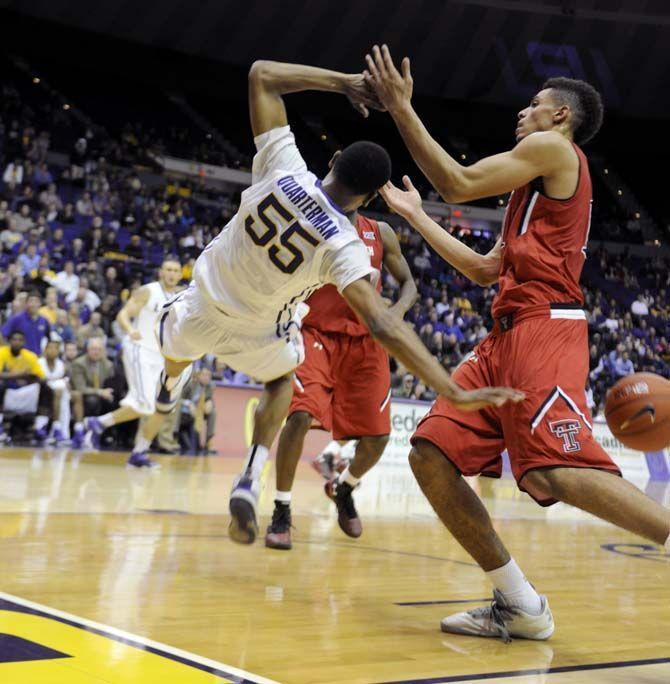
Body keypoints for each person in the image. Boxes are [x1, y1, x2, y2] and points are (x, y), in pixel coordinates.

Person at [367, 44, 670, 641]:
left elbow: (455, 182)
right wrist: (415, 214)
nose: (523, 113)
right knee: (430, 452)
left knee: (553, 470)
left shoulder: (555, 150)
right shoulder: (529, 194)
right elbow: (484, 270)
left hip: (544, 327)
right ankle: (519, 602)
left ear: (561, 116)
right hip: (503, 336)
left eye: (535, 105)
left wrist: (402, 108)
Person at [155, 59, 521, 546]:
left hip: (203, 308)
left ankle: (171, 378)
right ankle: (251, 475)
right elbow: (386, 327)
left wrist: (345, 84)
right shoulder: (342, 242)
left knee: (175, 350)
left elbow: (262, 75)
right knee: (282, 383)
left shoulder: (283, 169)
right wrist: (450, 389)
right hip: (261, 333)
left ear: (332, 162)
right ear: (369, 198)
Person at [266, 211, 417, 549]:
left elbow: (409, 283)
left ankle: (343, 487)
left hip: (366, 339)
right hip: (314, 331)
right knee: (301, 415)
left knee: (378, 437)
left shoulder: (381, 233)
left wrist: (399, 310)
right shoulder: (308, 217)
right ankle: (281, 508)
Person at [84, 259, 182, 467]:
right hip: (139, 349)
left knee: (161, 409)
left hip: (160, 357)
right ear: (161, 272)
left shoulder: (181, 298)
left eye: (175, 270)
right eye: (168, 269)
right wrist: (130, 330)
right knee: (145, 404)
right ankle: (99, 424)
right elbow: (123, 314)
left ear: (180, 274)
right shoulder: (148, 291)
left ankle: (137, 450)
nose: (172, 274)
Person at [0, 331, 47, 442]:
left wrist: (26, 379)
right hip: (7, 390)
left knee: (46, 387)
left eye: (20, 340)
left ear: (24, 342)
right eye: (14, 339)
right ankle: (1, 425)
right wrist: (20, 374)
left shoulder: (30, 356)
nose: (17, 342)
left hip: (25, 390)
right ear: (9, 341)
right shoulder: (2, 353)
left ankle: (40, 426)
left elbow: (40, 377)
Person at [69, 338, 115, 446]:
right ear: (87, 350)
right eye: (93, 349)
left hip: (103, 394)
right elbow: (80, 388)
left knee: (115, 401)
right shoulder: (78, 363)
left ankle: (108, 435)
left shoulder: (108, 364)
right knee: (92, 401)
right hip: (83, 396)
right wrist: (99, 392)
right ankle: (89, 432)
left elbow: (111, 384)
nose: (96, 352)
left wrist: (109, 393)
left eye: (99, 349)